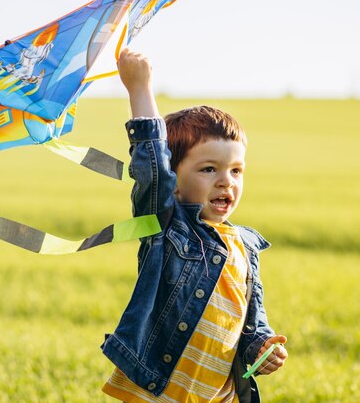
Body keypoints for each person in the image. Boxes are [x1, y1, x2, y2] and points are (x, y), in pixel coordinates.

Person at [101, 48, 288, 402]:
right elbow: (152, 163)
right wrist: (140, 88)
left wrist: (262, 346)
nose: (226, 182)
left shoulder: (245, 246)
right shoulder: (169, 229)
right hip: (161, 391)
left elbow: (250, 323)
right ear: (174, 178)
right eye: (208, 169)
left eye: (236, 171)